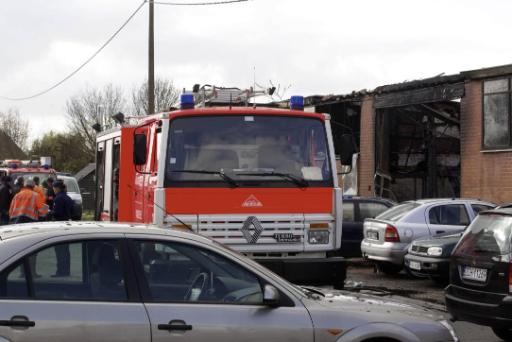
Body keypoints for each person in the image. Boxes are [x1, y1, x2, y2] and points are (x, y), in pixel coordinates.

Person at [51, 180, 74, 277]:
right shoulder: (68, 197)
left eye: (54, 188)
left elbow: (57, 213)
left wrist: (49, 212)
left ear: (57, 188)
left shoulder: (58, 198)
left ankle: (60, 271)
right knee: (65, 249)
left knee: (60, 249)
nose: (53, 189)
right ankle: (66, 271)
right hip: (67, 224)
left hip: (59, 225)